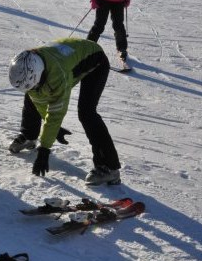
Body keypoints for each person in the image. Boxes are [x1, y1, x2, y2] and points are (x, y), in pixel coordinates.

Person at [8, 37, 122, 186]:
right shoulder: (28, 62)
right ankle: (29, 135)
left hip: (95, 61)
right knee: (32, 94)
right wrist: (53, 131)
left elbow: (56, 112)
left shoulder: (57, 75)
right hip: (70, 58)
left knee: (87, 113)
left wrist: (44, 150)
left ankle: (109, 168)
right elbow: (40, 102)